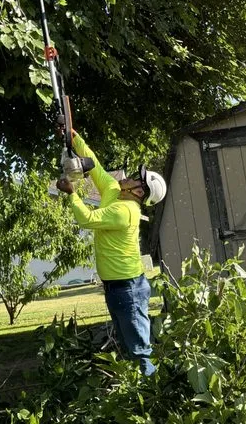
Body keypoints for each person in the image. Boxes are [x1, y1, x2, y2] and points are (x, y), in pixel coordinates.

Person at [56, 129, 167, 375]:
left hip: (128, 288)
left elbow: (86, 219)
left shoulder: (126, 211)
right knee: (129, 347)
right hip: (117, 287)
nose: (130, 177)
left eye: (137, 178)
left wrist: (72, 194)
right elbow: (93, 163)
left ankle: (153, 394)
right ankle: (135, 391)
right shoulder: (114, 190)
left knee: (139, 351)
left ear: (139, 192)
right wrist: (72, 137)